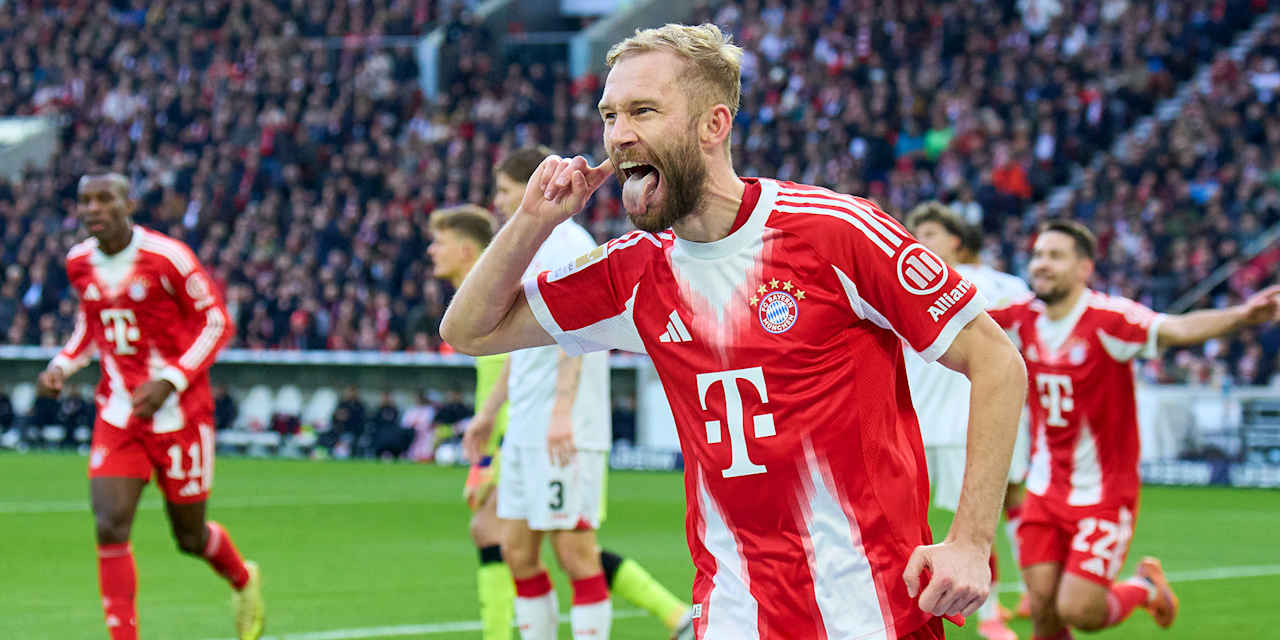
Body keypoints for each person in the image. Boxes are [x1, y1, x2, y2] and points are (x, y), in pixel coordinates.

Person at [442, 23, 1027, 640]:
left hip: (872, 610)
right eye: (609, 115)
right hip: (732, 613)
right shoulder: (632, 270)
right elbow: (470, 331)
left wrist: (970, 542)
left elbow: (996, 361)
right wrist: (532, 221)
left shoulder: (835, 232)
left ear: (713, 124)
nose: (619, 136)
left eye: (643, 110)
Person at [986, 220, 1280, 640]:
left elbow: (1175, 329)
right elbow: (962, 321)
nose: (1041, 265)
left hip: (1104, 496)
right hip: (1043, 489)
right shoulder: (1020, 318)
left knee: (1079, 610)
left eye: (1055, 256)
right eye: (1037, 255)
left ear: (1084, 268)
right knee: (1044, 611)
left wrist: (1240, 316)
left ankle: (1143, 588)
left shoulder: (1110, 319)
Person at [435, 160, 692, 640]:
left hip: (566, 427)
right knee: (516, 549)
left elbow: (577, 333)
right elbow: (516, 342)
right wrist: (488, 417)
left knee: (576, 553)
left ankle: (671, 617)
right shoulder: (527, 249)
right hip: (527, 428)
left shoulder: (571, 245)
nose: (501, 200)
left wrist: (560, 413)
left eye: (507, 188)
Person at [34, 173, 264, 640]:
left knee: (190, 538)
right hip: (119, 413)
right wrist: (62, 364)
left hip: (180, 416)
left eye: (104, 199)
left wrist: (170, 380)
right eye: (85, 201)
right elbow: (91, 322)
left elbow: (217, 322)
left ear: (128, 203)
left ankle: (243, 578)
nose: (93, 208)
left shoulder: (168, 257)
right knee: (109, 524)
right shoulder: (78, 261)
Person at [903, 203, 1031, 640]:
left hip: (966, 423)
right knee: (996, 504)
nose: (921, 239)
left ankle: (992, 613)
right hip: (922, 422)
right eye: (917, 231)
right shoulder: (902, 283)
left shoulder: (995, 285)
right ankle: (1022, 592)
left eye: (932, 232)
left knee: (976, 519)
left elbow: (1025, 335)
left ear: (957, 240)